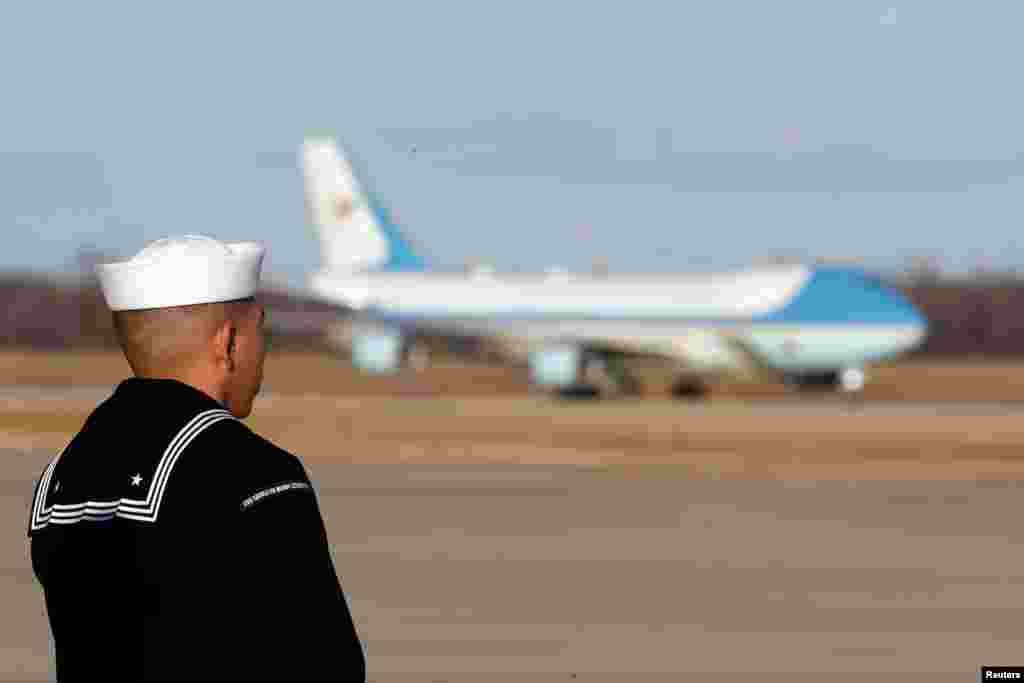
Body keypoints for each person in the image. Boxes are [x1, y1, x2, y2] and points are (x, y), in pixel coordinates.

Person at [28, 235, 365, 681]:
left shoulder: (59, 478)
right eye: (260, 329)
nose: (263, 351)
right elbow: (327, 665)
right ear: (228, 343)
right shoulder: (255, 475)